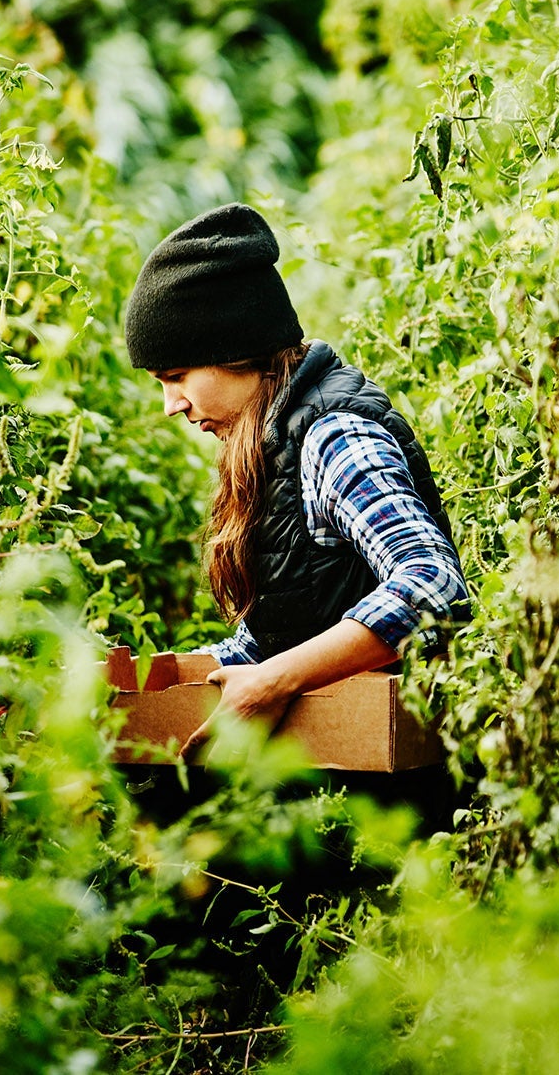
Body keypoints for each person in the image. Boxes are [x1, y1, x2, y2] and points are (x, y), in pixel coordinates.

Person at [120, 203, 469, 746]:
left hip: (394, 786)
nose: (172, 404)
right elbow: (281, 636)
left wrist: (276, 681)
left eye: (176, 375)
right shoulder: (275, 444)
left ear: (234, 349)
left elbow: (431, 585)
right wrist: (132, 685)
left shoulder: (334, 437)